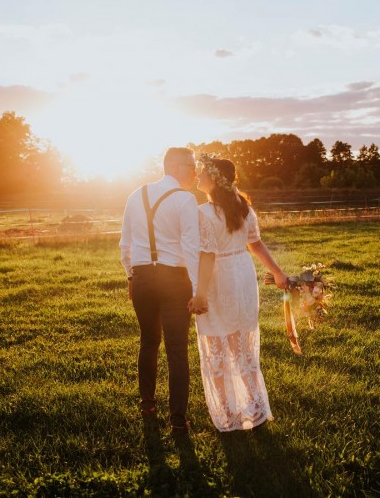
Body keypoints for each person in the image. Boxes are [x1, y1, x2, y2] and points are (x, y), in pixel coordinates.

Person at [188, 155, 288, 432]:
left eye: (203, 172)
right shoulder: (244, 207)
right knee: (241, 346)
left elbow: (208, 255)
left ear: (214, 178)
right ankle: (256, 406)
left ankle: (229, 413)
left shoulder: (203, 212)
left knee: (217, 345)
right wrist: (277, 272)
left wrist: (201, 294)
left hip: (220, 278)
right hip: (242, 275)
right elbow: (256, 244)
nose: (198, 176)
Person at [120, 147, 199, 435]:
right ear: (176, 167)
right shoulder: (185, 199)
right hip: (174, 280)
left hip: (142, 278)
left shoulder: (135, 195)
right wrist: (198, 289)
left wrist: (131, 276)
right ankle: (177, 420)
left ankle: (147, 404)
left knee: (149, 341)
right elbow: (191, 248)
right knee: (177, 349)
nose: (195, 172)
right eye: (191, 166)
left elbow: (125, 244)